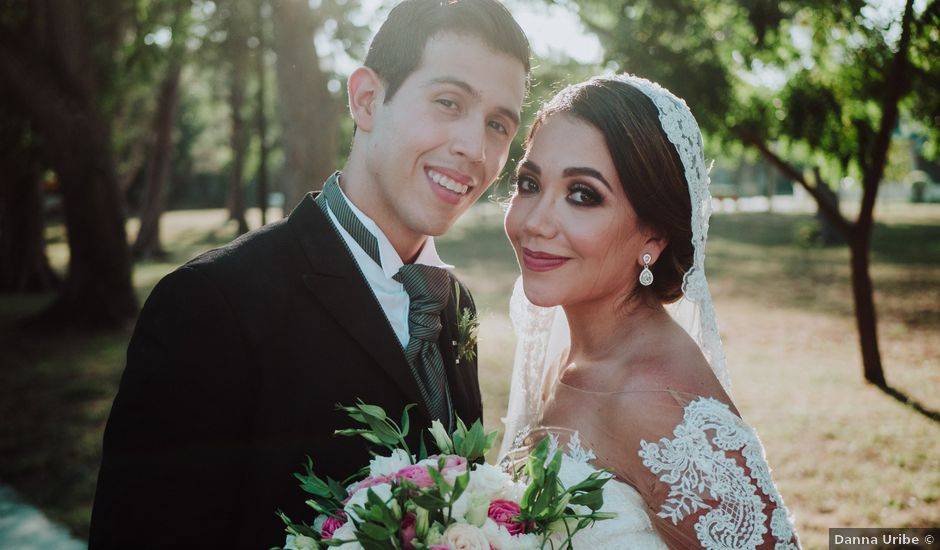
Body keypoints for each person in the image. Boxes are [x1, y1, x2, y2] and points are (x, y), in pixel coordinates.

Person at [89, 1, 529, 547]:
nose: (474, 147)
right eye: (447, 102)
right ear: (367, 100)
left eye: (498, 125)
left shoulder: (451, 304)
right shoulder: (212, 305)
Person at [499, 75, 800, 549]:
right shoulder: (568, 357)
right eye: (530, 183)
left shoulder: (659, 406)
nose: (535, 221)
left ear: (653, 238)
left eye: (583, 194)